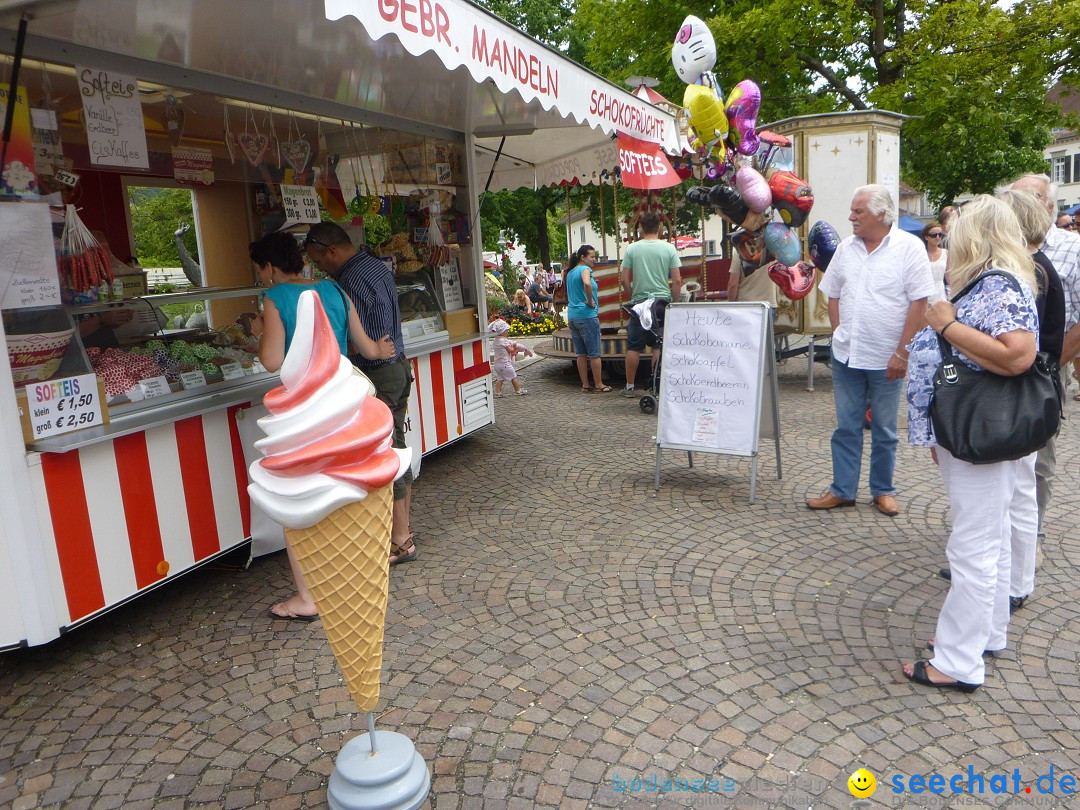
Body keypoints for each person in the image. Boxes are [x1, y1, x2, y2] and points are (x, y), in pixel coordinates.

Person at [901, 195, 1040, 691]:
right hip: (970, 430)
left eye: (953, 228)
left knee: (974, 545)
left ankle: (958, 662)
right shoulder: (992, 282)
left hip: (979, 430)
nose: (947, 236)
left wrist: (946, 324)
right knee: (990, 538)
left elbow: (1017, 355)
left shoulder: (999, 285)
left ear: (976, 235)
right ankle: (988, 634)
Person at [249, 231, 396, 621]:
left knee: (300, 499)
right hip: (346, 403)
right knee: (346, 491)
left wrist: (258, 332)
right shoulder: (333, 288)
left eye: (258, 269)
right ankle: (351, 576)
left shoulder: (275, 298)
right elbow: (366, 348)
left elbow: (271, 361)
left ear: (267, 266)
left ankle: (309, 597)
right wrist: (383, 350)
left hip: (307, 412)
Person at [807, 185, 935, 516]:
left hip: (887, 357)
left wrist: (902, 353)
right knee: (846, 426)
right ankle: (842, 490)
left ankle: (883, 490)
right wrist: (838, 333)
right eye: (852, 210)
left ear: (880, 214)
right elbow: (832, 293)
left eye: (858, 211)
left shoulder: (909, 248)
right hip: (847, 354)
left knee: (885, 429)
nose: (850, 217)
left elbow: (920, 302)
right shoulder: (846, 249)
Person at [302, 222, 418, 568]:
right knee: (395, 447)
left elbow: (370, 346)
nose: (319, 267)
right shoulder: (374, 266)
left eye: (318, 260)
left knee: (387, 453)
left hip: (377, 374)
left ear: (331, 251)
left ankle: (400, 540)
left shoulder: (349, 280)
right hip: (395, 369)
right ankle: (402, 530)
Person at [1008, 174, 1080, 554]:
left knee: (1038, 453)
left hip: (1052, 363)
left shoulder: (1073, 247)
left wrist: (1051, 365)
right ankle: (997, 536)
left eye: (1030, 199)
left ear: (1050, 206)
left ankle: (1030, 539)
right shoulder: (1003, 247)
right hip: (1003, 366)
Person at [619, 212, 682, 397]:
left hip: (640, 302)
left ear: (640, 229)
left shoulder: (632, 249)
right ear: (660, 228)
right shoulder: (669, 248)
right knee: (658, 345)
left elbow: (624, 279)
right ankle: (656, 385)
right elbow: (677, 280)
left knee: (634, 346)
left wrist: (634, 297)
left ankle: (630, 387)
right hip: (661, 302)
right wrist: (675, 302)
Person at [564, 244, 610, 392]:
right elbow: (587, 284)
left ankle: (585, 384)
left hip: (573, 316)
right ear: (583, 257)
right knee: (595, 353)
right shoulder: (585, 269)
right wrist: (590, 301)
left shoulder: (570, 272)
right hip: (587, 315)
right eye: (592, 256)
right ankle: (598, 384)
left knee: (581, 353)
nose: (594, 259)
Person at [487, 318, 532, 396]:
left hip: (497, 364)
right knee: (513, 377)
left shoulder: (495, 341)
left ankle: (498, 392)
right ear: (502, 332)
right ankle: (518, 390)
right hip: (505, 364)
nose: (507, 332)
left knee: (500, 379)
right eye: (506, 330)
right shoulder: (504, 340)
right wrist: (514, 346)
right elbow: (510, 350)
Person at [726, 240, 777, 307]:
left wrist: (731, 304)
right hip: (768, 304)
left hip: (745, 304)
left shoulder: (739, 252)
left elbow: (733, 284)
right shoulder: (772, 251)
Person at [921, 222, 948, 300]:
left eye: (940, 235)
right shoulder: (920, 254)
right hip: (924, 293)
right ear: (926, 237)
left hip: (940, 294)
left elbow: (949, 276)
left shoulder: (946, 253)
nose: (937, 237)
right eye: (933, 235)